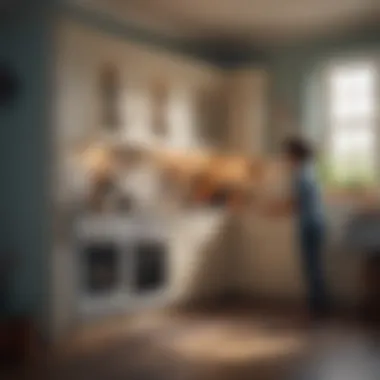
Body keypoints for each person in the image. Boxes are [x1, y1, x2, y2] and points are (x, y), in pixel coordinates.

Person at [262, 137, 329, 318]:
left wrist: (275, 210)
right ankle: (317, 303)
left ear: (294, 154)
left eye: (287, 154)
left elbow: (296, 202)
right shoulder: (309, 170)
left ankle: (317, 305)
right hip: (315, 222)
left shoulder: (301, 174)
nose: (285, 158)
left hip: (309, 225)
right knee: (313, 265)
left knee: (311, 265)